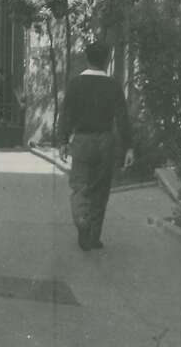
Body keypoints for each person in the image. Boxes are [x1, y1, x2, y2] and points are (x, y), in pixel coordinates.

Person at [59, 41, 135, 251]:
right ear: (107, 60)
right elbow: (122, 119)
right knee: (101, 191)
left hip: (82, 141)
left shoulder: (75, 84)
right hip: (105, 141)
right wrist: (129, 147)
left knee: (80, 187)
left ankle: (82, 222)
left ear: (87, 58)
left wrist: (63, 141)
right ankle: (93, 237)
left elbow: (66, 115)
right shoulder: (113, 85)